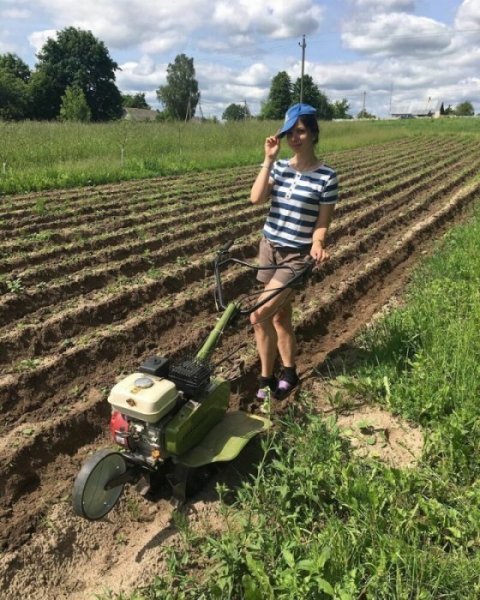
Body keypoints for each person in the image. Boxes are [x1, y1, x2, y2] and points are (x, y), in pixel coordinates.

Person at [249, 103, 338, 402]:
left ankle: (265, 378)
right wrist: (268, 160)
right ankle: (289, 371)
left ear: (313, 132)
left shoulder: (327, 176)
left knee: (259, 314)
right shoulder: (281, 168)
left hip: (296, 257)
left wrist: (318, 243)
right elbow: (256, 198)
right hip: (269, 248)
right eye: (289, 133)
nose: (294, 138)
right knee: (279, 316)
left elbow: (322, 223)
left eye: (300, 131)